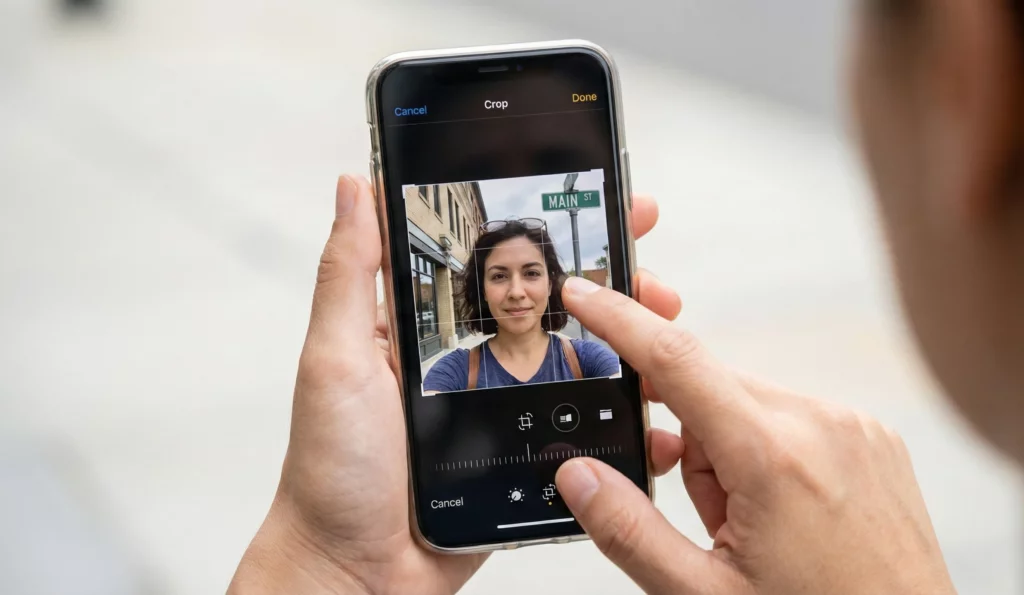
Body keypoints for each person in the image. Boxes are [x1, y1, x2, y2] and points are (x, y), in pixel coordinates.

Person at [229, 2, 1024, 592]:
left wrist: (321, 564)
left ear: (967, 72)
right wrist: (332, 561)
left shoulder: (595, 354)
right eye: (499, 275)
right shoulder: (445, 378)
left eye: (531, 272)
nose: (515, 288)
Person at [423, 217, 619, 393]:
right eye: (499, 276)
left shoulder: (589, 360)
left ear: (550, 285)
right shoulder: (455, 372)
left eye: (531, 273)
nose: (516, 292)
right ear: (483, 290)